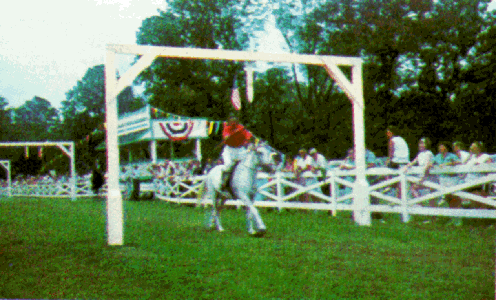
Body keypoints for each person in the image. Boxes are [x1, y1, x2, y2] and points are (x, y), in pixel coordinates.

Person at [220, 115, 253, 194]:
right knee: (228, 165)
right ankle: (223, 182)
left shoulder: (241, 128)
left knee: (247, 165)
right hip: (229, 149)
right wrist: (228, 136)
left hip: (240, 149)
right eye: (232, 120)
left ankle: (247, 184)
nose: (233, 122)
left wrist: (250, 138)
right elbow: (226, 136)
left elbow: (249, 137)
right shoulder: (227, 127)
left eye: (235, 120)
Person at [402, 137, 435, 205]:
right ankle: (420, 203)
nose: (421, 145)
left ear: (426, 144)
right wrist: (406, 167)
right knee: (413, 188)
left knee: (432, 196)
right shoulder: (420, 154)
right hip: (421, 177)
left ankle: (431, 211)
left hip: (429, 177)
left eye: (423, 143)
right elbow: (413, 162)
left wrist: (423, 177)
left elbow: (428, 165)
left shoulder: (429, 153)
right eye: (420, 143)